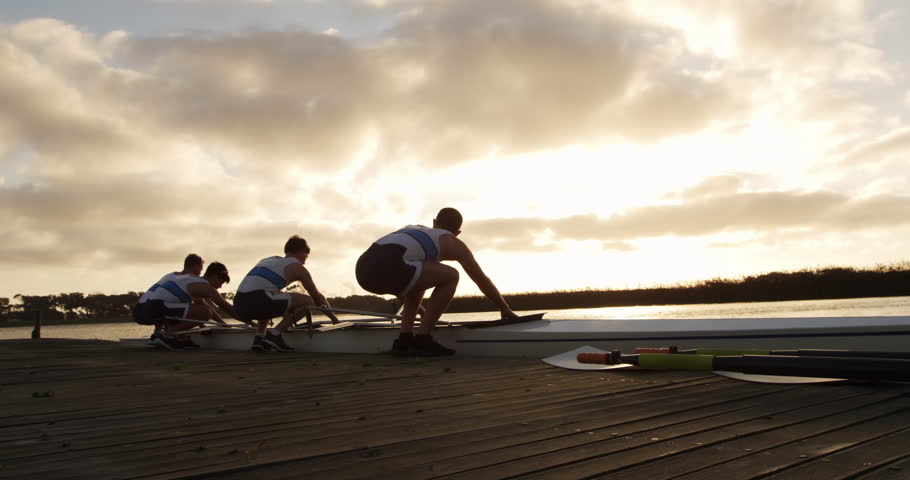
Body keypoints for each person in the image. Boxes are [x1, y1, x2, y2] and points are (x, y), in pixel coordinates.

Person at [355, 207, 519, 356]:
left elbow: (398, 276)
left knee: (423, 272)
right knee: (452, 275)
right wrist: (504, 308)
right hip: (392, 269)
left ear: (434, 223)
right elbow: (481, 279)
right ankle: (423, 339)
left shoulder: (413, 228)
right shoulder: (453, 243)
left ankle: (404, 340)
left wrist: (422, 311)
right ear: (458, 232)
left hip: (363, 271)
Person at [234, 235, 340, 352]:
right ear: (301, 251)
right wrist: (334, 319)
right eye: (306, 255)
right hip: (257, 301)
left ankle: (259, 338)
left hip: (239, 305)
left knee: (270, 294)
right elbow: (317, 297)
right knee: (309, 301)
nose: (305, 261)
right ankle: (274, 335)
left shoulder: (268, 260)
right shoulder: (297, 267)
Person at [133, 262, 237, 350]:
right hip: (151, 309)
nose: (220, 286)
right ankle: (169, 334)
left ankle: (167, 334)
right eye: (221, 282)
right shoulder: (201, 285)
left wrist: (204, 325)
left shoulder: (183, 277)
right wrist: (228, 325)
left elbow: (194, 306)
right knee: (205, 313)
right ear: (214, 276)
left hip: (142, 310)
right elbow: (224, 308)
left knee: (189, 309)